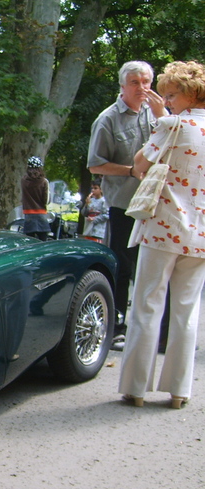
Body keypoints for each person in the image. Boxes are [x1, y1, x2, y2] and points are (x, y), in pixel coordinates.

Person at [118, 60, 205, 409]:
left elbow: (140, 164)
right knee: (186, 311)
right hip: (200, 235)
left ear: (189, 94)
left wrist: (160, 119)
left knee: (147, 305)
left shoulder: (173, 124)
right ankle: (179, 391)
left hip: (163, 228)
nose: (165, 101)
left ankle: (136, 388)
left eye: (170, 95)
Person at [87, 61, 167, 349]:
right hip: (125, 205)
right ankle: (117, 328)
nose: (142, 88)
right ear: (122, 86)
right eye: (135, 82)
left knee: (158, 268)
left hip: (159, 204)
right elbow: (95, 164)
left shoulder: (157, 114)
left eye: (146, 82)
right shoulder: (108, 119)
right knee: (122, 266)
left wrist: (163, 116)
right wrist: (131, 171)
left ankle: (159, 333)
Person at [21, 156, 50, 241]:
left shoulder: (23, 180)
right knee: (43, 241)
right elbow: (46, 200)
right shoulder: (44, 182)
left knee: (30, 241)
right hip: (41, 213)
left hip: (28, 213)